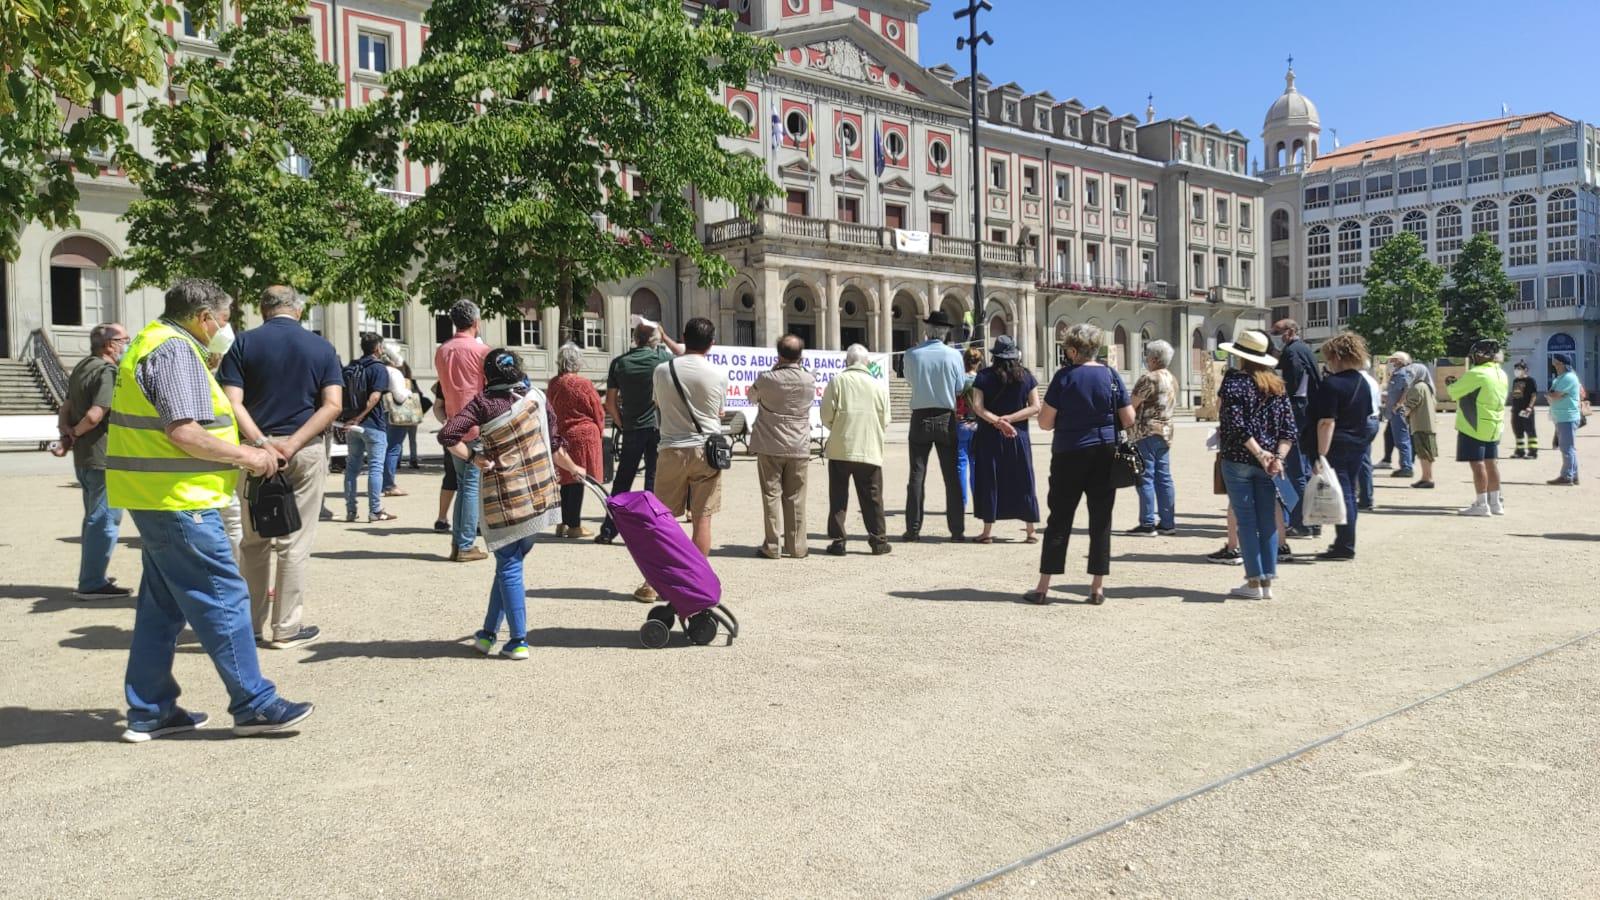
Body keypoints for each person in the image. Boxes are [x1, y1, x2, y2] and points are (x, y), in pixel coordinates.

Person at [106, 278, 313, 741]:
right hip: (181, 501)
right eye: (226, 317)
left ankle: (151, 708)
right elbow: (184, 432)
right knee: (224, 596)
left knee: (161, 609)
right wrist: (251, 456)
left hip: (157, 497)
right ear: (203, 317)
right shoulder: (176, 351)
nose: (228, 326)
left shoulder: (149, 341)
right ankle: (253, 703)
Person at [218, 285, 343, 650]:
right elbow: (332, 405)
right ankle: (286, 626)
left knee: (253, 540)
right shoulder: (321, 347)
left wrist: (260, 442)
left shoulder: (242, 344)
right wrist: (292, 442)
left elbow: (231, 402)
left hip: (255, 452)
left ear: (262, 309)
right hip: (302, 447)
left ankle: (252, 626)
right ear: (299, 311)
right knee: (294, 542)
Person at [440, 350, 586, 660]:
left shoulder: (482, 404)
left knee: (508, 565)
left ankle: (519, 640)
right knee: (510, 564)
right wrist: (574, 469)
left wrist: (475, 458)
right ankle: (487, 634)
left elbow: (449, 434)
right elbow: (555, 444)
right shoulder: (535, 397)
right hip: (538, 496)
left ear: (488, 375)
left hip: (504, 499)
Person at [1025, 323, 1133, 606]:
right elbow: (1129, 418)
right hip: (1106, 451)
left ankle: (1043, 586)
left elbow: (1045, 423)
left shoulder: (1064, 377)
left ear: (1073, 350)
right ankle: (1097, 586)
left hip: (1070, 451)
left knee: (1059, 517)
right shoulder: (1111, 376)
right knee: (1101, 519)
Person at [1216, 330, 1298, 598]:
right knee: (1268, 520)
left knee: (1246, 521)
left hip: (1239, 458)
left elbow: (1235, 425)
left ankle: (1253, 582)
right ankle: (1267, 582)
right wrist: (1277, 457)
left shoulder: (1233, 382)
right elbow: (1289, 430)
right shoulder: (1277, 386)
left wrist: (1259, 452)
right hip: (1271, 462)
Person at [58, 322, 132, 600]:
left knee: (93, 517)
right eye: (124, 339)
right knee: (104, 519)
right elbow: (95, 414)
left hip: (84, 457)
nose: (127, 344)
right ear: (109, 345)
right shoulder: (107, 371)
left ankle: (92, 575)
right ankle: (91, 582)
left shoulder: (82, 366)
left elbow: (65, 407)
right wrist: (75, 434)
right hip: (103, 455)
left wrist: (66, 436)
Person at [597, 320, 682, 553]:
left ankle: (608, 530)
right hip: (657, 428)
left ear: (634, 338)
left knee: (622, 480)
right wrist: (665, 338)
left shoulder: (619, 363)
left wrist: (622, 423)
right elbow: (683, 353)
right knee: (653, 480)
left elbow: (610, 404)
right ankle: (651, 530)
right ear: (655, 340)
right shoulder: (662, 360)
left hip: (632, 428)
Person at [653, 317, 728, 558]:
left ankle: (653, 582)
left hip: (671, 447)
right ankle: (697, 581)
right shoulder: (718, 374)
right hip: (706, 449)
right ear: (711, 344)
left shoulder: (662, 370)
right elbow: (720, 411)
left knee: (663, 519)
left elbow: (658, 404)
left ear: (684, 338)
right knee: (702, 519)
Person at [748, 334, 817, 559]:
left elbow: (751, 397)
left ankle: (772, 545)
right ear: (801, 355)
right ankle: (797, 546)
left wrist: (774, 369)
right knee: (796, 497)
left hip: (771, 443)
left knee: (771, 495)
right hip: (798, 444)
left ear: (778, 355)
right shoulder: (809, 379)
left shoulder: (767, 378)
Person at [1309, 332, 1376, 561]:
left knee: (1344, 493)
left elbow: (1327, 422)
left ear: (1337, 356)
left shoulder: (1331, 384)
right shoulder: (1363, 382)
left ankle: (1345, 545)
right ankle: (1343, 541)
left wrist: (1321, 454)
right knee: (1349, 491)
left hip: (1337, 443)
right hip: (1358, 442)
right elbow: (1367, 415)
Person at [820, 344, 892, 556]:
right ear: (867, 363)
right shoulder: (879, 386)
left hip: (842, 447)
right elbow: (885, 419)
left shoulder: (837, 381)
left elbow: (826, 415)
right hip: (869, 448)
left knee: (838, 496)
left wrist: (840, 427)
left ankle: (839, 541)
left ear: (847, 362)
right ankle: (878, 541)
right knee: (873, 497)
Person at [902, 310, 966, 543]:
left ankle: (913, 528)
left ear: (928, 330)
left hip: (919, 416)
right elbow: (959, 386)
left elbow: (909, 380)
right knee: (951, 476)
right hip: (945, 416)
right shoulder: (954, 355)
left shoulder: (911, 354)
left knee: (917, 475)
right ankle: (957, 530)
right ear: (946, 331)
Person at [435, 299, 492, 561]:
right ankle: (466, 543)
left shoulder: (443, 351)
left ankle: (459, 542)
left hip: (453, 425)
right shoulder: (482, 352)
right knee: (470, 485)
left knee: (462, 483)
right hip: (475, 425)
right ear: (476, 322)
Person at [969, 335, 1040, 543]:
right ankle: (1030, 530)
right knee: (1024, 479)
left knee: (990, 479)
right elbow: (1035, 406)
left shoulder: (983, 376)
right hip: (1019, 435)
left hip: (990, 436)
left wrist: (999, 422)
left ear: (995, 356)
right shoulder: (1026, 376)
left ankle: (987, 531)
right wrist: (1011, 419)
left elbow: (978, 407)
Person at [546, 343, 606, 537]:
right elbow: (596, 409)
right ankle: (574, 525)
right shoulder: (583, 383)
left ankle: (563, 523)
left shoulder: (553, 383)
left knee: (565, 479)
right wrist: (601, 428)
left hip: (561, 434)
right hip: (583, 435)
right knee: (578, 479)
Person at [1270, 318, 1322, 536]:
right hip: (1307, 413)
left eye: (1277, 331)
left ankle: (1304, 524)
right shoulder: (1302, 349)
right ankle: (1313, 522)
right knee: (1305, 470)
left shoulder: (1293, 353)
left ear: (1289, 332)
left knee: (1296, 471)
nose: (1275, 335)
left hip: (1297, 414)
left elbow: (1293, 383)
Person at [1449, 338, 1510, 515]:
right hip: (1494, 424)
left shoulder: (1477, 373)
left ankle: (1482, 503)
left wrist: (1451, 383)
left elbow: (1453, 392)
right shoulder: (1501, 374)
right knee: (1492, 463)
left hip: (1473, 424)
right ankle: (1495, 503)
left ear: (1480, 355)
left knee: (1477, 464)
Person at [340, 332, 395, 523]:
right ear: (378, 348)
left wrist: (351, 419)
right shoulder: (378, 368)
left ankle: (350, 510)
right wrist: (360, 417)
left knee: (351, 468)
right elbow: (375, 397)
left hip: (352, 426)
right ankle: (375, 510)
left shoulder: (352, 366)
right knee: (375, 468)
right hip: (373, 425)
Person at [1125, 339, 1178, 536]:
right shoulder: (1172, 378)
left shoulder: (1149, 378)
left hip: (1146, 431)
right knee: (1164, 477)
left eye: (1147, 355)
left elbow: (1132, 404)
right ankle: (1167, 522)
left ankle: (1147, 522)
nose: (1145, 359)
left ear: (1155, 359)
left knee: (1145, 476)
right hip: (1165, 431)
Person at [380, 354, 422, 496]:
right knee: (393, 448)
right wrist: (408, 392)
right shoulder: (394, 373)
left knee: (383, 449)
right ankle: (388, 485)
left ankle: (381, 483)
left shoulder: (378, 370)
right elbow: (400, 396)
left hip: (380, 412)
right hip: (396, 414)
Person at [1399, 364, 1438, 489]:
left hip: (1421, 425)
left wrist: (1402, 413)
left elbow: (1411, 404)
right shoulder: (1427, 386)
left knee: (1424, 453)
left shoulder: (1417, 387)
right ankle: (1426, 477)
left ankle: (1428, 478)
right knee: (1427, 453)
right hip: (1427, 425)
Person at [1546, 352, 1582, 486]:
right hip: (1561, 416)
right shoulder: (1560, 378)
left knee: (1567, 448)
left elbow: (1555, 394)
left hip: (1567, 417)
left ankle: (1567, 477)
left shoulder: (1568, 377)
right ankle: (1573, 475)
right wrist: (1552, 395)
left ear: (1562, 364)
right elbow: (1553, 394)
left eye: (1555, 362)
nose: (1553, 365)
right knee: (1568, 448)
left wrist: (1551, 396)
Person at [955, 346, 984, 508]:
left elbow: (955, 401)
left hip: (961, 423)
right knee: (975, 464)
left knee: (961, 463)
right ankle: (978, 500)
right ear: (979, 362)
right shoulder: (982, 380)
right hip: (978, 425)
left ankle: (962, 501)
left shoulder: (960, 380)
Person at [1380, 351, 1416, 479]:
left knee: (1402, 440)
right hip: (1394, 411)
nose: (1391, 362)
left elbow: (1407, 389)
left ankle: (1406, 467)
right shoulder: (1398, 372)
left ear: (1401, 361)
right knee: (1399, 439)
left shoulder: (1403, 373)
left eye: (1394, 360)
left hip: (1398, 412)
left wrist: (1399, 404)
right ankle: (1406, 466)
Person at [1354, 362, 1384, 510]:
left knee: (1360, 459)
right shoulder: (1371, 380)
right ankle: (1365, 496)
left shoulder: (1357, 380)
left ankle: (1365, 497)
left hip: (1363, 420)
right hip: (1373, 419)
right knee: (1364, 457)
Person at [1509, 361, 1540, 459]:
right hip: (1516, 410)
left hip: (1526, 410)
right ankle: (1520, 451)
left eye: (1519, 369)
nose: (1517, 371)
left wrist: (1530, 407)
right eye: (1516, 369)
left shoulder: (1530, 381)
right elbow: (1515, 395)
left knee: (1530, 431)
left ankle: (1533, 452)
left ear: (1525, 370)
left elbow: (1534, 395)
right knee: (1518, 430)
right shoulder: (1515, 381)